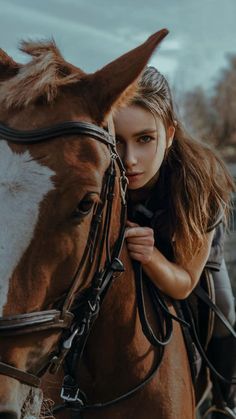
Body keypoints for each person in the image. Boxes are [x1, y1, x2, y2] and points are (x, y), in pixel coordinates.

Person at [113, 66, 236, 419]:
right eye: (117, 139)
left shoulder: (199, 181)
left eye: (145, 139)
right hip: (138, 245)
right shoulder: (102, 168)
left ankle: (225, 402)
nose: (129, 159)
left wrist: (151, 256)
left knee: (222, 310)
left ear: (168, 133)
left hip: (191, 257)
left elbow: (183, 285)